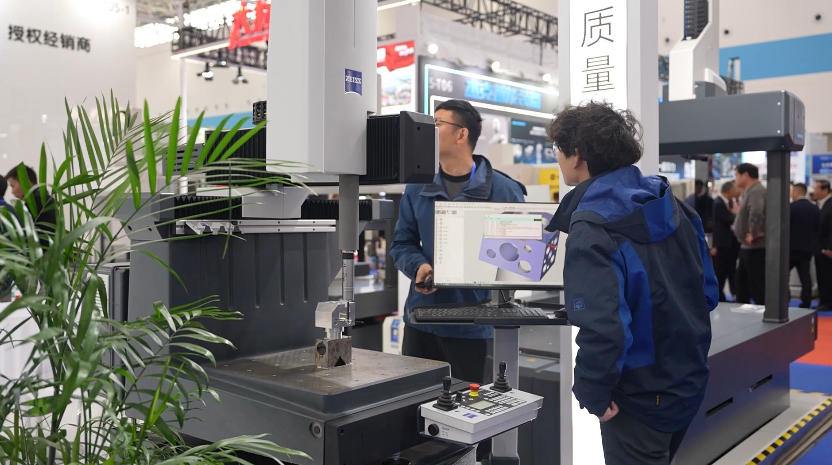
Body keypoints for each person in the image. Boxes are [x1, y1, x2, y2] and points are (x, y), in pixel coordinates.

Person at [546, 102, 718, 465]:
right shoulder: (673, 204)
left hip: (637, 396)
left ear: (577, 155)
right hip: (688, 377)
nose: (557, 157)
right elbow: (708, 293)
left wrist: (592, 390)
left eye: (558, 149)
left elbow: (605, 328)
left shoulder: (593, 226)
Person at [389, 99, 525, 385]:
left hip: (474, 327)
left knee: (470, 405)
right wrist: (419, 267)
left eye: (437, 124)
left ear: (462, 134)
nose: (428, 132)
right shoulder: (417, 187)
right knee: (415, 403)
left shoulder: (504, 191)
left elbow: (517, 260)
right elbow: (402, 243)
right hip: (422, 320)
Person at [732, 163, 766, 304]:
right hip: (748, 247)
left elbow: (756, 212)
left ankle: (762, 314)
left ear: (745, 175)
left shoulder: (756, 191)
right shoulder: (750, 191)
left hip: (755, 248)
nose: (735, 179)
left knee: (755, 285)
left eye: (737, 175)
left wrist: (754, 233)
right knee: (742, 285)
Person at [789, 183, 820, 308]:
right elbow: (818, 229)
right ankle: (806, 302)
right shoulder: (814, 208)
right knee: (805, 277)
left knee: (783, 276)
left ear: (796, 191)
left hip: (790, 248)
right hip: (807, 249)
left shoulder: (790, 208)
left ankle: (784, 298)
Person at [5, 163, 56, 234]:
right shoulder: (44, 198)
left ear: (25, 181)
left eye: (13, 186)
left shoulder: (36, 202)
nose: (12, 192)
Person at [711, 181, 741, 301]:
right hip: (722, 244)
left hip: (729, 244)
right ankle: (719, 295)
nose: (736, 191)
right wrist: (737, 215)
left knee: (729, 269)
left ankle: (731, 293)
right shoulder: (718, 203)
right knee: (721, 271)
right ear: (728, 191)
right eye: (734, 189)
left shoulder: (726, 202)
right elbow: (728, 219)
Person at [814, 179, 832, 311]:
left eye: (817, 189)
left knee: (826, 275)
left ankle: (827, 302)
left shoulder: (830, 205)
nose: (814, 191)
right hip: (820, 247)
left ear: (825, 189)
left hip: (826, 248)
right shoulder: (822, 204)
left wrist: (830, 248)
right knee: (821, 274)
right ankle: (824, 300)